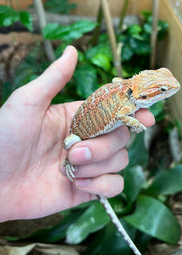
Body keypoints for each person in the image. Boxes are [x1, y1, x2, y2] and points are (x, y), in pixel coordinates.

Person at [0, 46, 155, 223]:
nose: (166, 92)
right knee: (70, 145)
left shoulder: (125, 88)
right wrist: (134, 123)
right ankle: (69, 159)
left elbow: (115, 80)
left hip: (94, 126)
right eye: (163, 90)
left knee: (90, 156)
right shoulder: (128, 101)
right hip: (78, 135)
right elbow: (121, 114)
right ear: (143, 96)